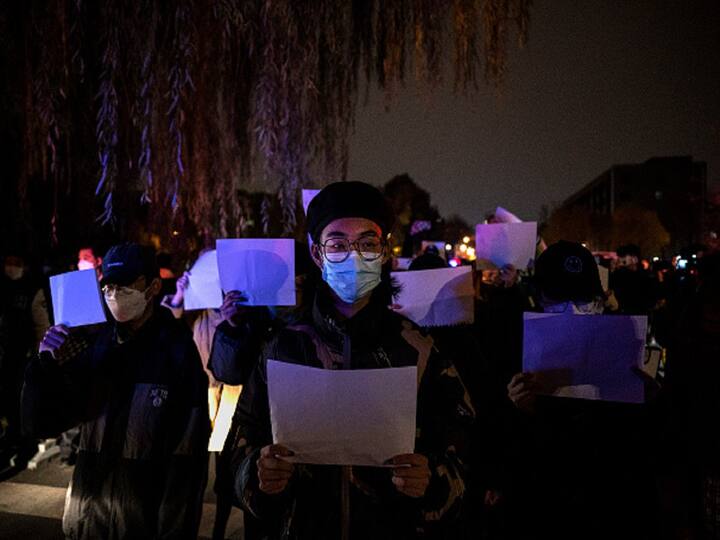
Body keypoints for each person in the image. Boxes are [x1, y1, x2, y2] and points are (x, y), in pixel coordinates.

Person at [230, 181, 475, 540]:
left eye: (367, 243)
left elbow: (467, 444)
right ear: (317, 254)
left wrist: (433, 480)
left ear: (384, 251)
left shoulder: (418, 347)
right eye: (338, 244)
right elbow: (241, 439)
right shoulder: (283, 346)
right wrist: (256, 473)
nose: (354, 256)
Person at [22, 243, 210, 539]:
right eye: (108, 285)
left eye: (126, 284)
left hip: (141, 525)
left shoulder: (178, 355)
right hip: (88, 520)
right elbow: (42, 424)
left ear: (152, 287)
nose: (114, 293)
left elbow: (188, 463)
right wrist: (45, 365)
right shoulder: (97, 347)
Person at [506, 241, 659, 539]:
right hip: (547, 507)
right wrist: (519, 410)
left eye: (584, 300)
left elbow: (643, 452)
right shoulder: (518, 349)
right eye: (559, 301)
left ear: (600, 301)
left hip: (612, 505)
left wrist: (650, 403)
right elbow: (510, 457)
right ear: (538, 300)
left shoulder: (625, 343)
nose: (573, 312)